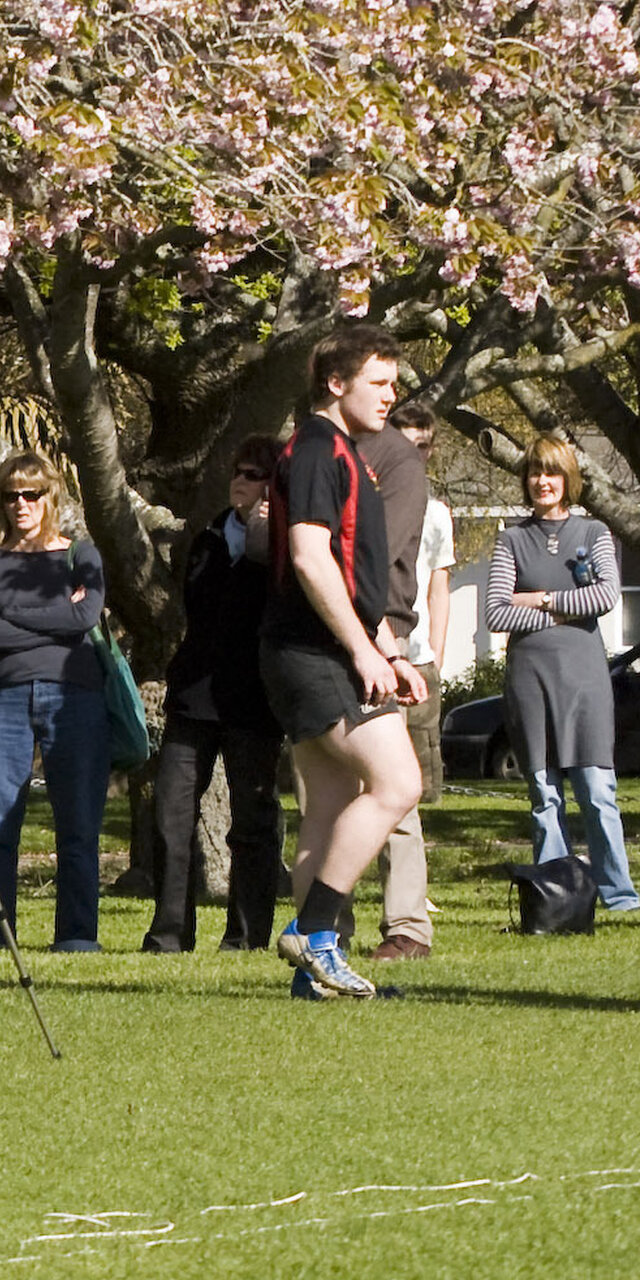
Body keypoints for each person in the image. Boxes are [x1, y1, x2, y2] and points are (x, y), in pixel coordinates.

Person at [261, 323, 426, 1001]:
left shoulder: (349, 453)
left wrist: (389, 646)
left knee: (329, 806)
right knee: (397, 783)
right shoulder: (315, 449)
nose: (392, 396)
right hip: (311, 651)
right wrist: (362, 651)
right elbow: (308, 555)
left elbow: (355, 574)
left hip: (331, 646)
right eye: (379, 382)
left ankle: (313, 979)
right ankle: (315, 933)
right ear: (337, 382)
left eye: (395, 383)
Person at [0, 448, 114, 952]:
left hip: (75, 697)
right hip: (0, 699)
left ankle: (76, 936)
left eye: (33, 494)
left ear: (51, 497)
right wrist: (54, 613)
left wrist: (13, 611)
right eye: (11, 495)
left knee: (79, 821)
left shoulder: (81, 554)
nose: (22, 504)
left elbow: (83, 618)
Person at [484, 441, 640, 912]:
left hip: (585, 677)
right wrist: (560, 610)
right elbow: (496, 610)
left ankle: (618, 894)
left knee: (596, 790)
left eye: (551, 473)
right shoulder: (511, 539)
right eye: (534, 472)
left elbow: (605, 596)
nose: (542, 481)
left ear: (567, 479)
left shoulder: (593, 533)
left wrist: (538, 600)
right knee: (543, 791)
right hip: (530, 677)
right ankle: (557, 896)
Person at [144, 442, 283, 953]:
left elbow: (265, 606)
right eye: (237, 473)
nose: (240, 482)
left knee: (253, 824)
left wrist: (263, 539)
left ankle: (246, 936)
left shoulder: (290, 546)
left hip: (254, 701)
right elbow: (199, 606)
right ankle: (169, 934)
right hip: (195, 698)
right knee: (170, 815)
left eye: (255, 475)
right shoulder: (207, 538)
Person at [358, 399, 443, 959]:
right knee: (328, 796)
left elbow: (429, 580)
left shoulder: (431, 510)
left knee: (401, 793)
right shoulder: (340, 484)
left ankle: (407, 925)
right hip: (337, 650)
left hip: (398, 650)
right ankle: (325, 926)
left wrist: (420, 653)